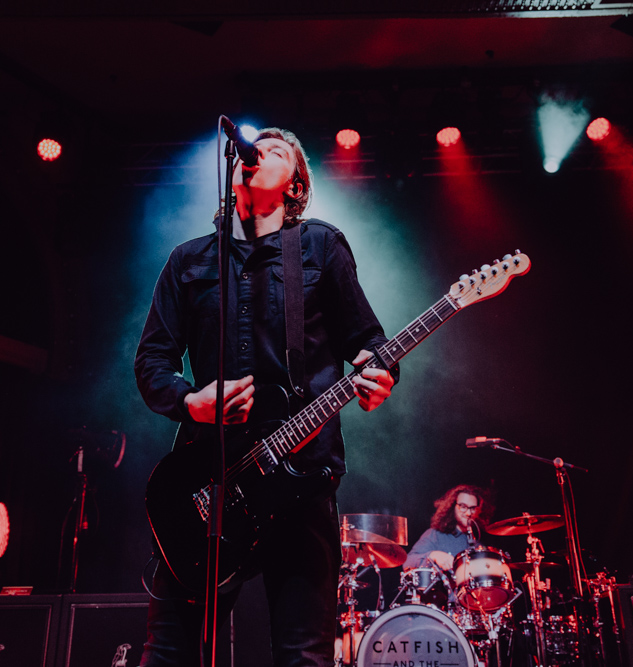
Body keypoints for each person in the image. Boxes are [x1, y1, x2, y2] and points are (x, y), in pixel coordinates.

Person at [134, 126, 398, 667]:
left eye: (277, 151)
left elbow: (369, 342)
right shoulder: (189, 261)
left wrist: (380, 373)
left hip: (301, 484)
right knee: (169, 652)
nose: (257, 155)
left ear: (296, 184)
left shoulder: (321, 244)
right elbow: (151, 363)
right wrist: (191, 402)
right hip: (210, 481)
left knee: (304, 656)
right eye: (253, 151)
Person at [403, 484, 495, 572]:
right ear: (452, 506)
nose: (468, 513)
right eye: (463, 506)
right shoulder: (435, 535)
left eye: (472, 508)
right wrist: (433, 555)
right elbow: (407, 562)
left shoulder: (478, 542)